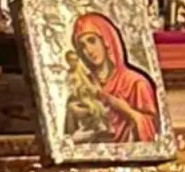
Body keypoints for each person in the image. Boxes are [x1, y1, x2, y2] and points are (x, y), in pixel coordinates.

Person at [63, 12, 161, 144]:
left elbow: (152, 134)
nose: (89, 51)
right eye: (82, 46)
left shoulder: (136, 83)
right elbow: (67, 141)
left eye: (92, 41)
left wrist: (126, 110)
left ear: (106, 41)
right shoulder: (82, 88)